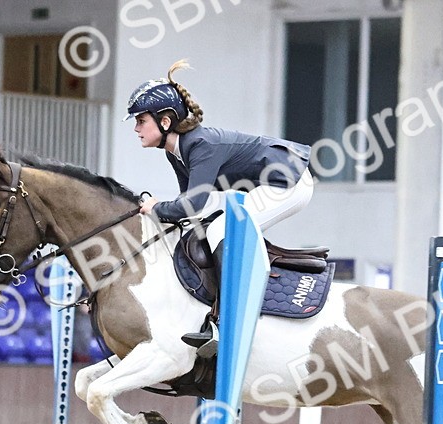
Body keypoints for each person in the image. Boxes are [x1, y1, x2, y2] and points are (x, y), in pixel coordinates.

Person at [125, 60, 314, 351]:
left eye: (141, 121)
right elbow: (190, 205)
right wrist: (164, 211)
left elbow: (190, 204)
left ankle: (228, 322)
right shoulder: (176, 152)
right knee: (202, 225)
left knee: (224, 229)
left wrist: (156, 208)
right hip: (262, 185)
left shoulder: (202, 146)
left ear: (164, 121)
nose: (136, 128)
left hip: (289, 182)